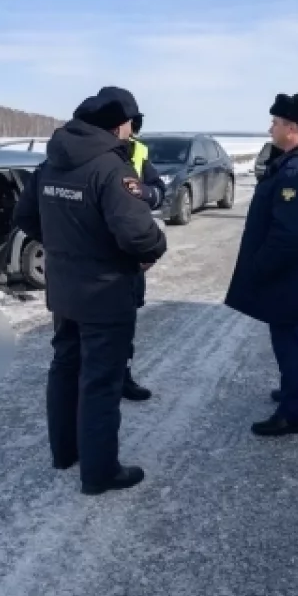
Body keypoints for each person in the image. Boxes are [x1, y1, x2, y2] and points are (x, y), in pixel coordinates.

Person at [13, 86, 168, 495]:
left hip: (64, 287)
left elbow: (24, 216)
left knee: (65, 366)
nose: (132, 131)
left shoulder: (51, 163)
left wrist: (65, 247)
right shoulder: (109, 169)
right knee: (100, 380)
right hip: (106, 292)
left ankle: (65, 452)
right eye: (131, 123)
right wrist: (153, 250)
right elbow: (138, 234)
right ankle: (100, 472)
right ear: (119, 124)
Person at [223, 93, 298, 436]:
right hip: (295, 274)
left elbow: (287, 235)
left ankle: (292, 413)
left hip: (289, 275)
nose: (270, 128)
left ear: (292, 127)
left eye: (275, 122)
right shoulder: (296, 163)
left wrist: (259, 268)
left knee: (289, 338)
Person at [121, 112, 165, 401]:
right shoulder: (84, 156)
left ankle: (122, 376)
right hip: (100, 253)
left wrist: (145, 192)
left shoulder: (137, 151)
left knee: (125, 321)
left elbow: (159, 190)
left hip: (127, 251)